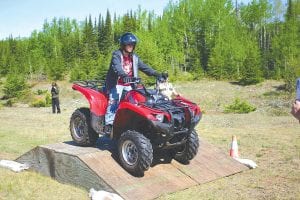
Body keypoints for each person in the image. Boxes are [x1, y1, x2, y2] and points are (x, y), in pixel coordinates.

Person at [104, 32, 166, 131]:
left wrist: (157, 74)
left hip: (130, 84)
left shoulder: (134, 57)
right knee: (114, 100)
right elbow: (117, 67)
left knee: (139, 100)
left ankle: (135, 121)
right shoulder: (117, 55)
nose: (130, 46)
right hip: (117, 84)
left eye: (132, 45)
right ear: (123, 45)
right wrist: (124, 75)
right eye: (129, 44)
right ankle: (109, 124)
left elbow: (145, 68)